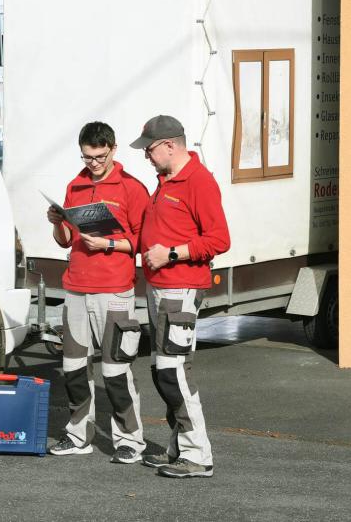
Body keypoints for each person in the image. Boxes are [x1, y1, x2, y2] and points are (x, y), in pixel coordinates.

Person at [129, 114, 230, 479]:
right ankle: (179, 447)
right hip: (161, 288)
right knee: (163, 371)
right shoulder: (166, 180)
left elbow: (219, 240)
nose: (146, 157)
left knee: (174, 371)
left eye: (150, 150)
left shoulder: (198, 181)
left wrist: (172, 253)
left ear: (171, 145)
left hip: (181, 288)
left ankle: (198, 454)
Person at [46, 121, 150, 464]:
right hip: (76, 287)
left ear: (113, 149)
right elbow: (65, 239)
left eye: (100, 156)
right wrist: (56, 222)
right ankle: (78, 435)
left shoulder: (132, 189)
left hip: (114, 290)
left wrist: (107, 243)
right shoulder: (75, 185)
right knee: (73, 368)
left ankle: (130, 440)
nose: (93, 162)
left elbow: (143, 241)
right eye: (88, 156)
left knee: (115, 370)